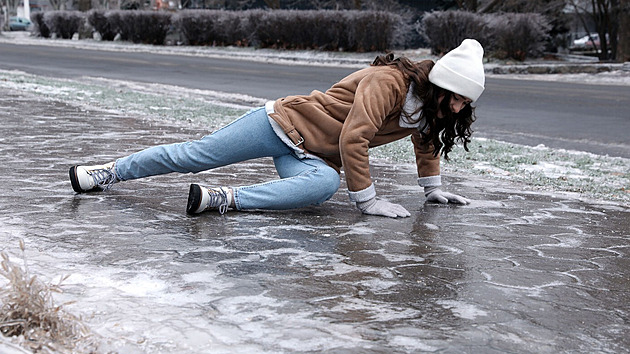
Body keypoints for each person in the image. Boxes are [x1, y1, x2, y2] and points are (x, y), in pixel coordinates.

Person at [69, 39, 485, 218]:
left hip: (313, 155)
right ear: (438, 84)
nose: (459, 106)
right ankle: (106, 172)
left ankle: (222, 199)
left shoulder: (431, 108)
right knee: (195, 156)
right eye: (457, 97)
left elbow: (427, 139)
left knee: (321, 187)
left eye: (466, 102)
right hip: (281, 123)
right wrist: (368, 201)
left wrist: (432, 189)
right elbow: (354, 137)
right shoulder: (389, 82)